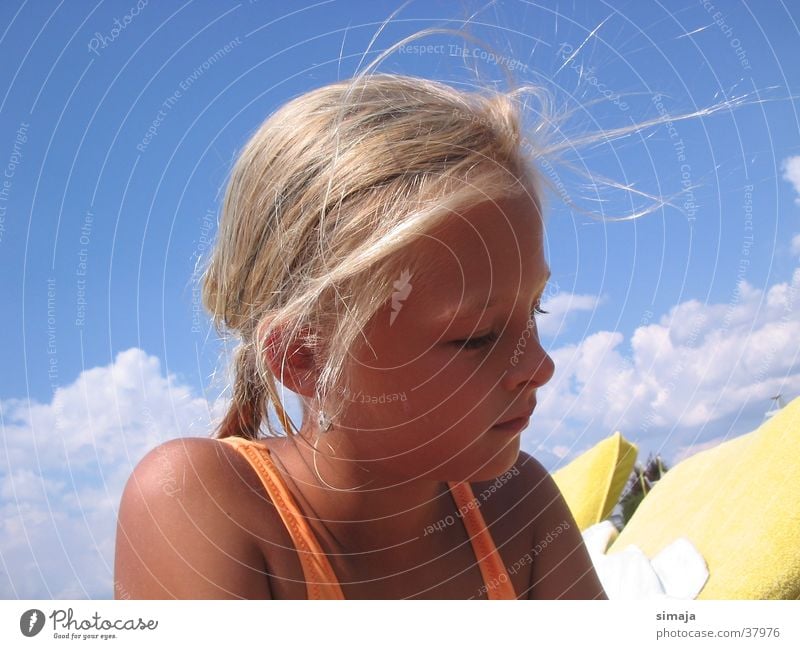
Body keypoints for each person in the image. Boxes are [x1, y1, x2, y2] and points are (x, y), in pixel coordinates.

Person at [113, 70, 607, 600]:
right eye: (477, 336)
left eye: (538, 309)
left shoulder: (518, 507)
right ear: (304, 357)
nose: (540, 363)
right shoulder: (199, 503)